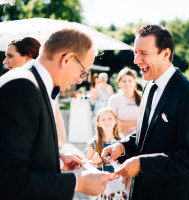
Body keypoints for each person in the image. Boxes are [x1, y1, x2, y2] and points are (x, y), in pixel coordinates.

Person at [0, 29, 115, 200]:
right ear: (67, 59)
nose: (80, 80)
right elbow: (9, 181)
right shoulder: (21, 86)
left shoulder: (34, 83)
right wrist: (78, 182)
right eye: (83, 71)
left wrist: (57, 161)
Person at [102, 24, 189, 200]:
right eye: (135, 53)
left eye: (143, 53)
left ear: (165, 54)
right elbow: (145, 133)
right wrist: (122, 146)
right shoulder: (149, 87)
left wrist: (142, 164)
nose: (136, 60)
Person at [2, 37, 66, 147]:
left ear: (28, 59)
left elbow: (60, 138)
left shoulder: (42, 89)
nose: (4, 61)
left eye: (10, 56)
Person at [87, 108, 127, 200]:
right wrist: (93, 161)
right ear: (98, 123)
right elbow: (87, 164)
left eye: (110, 118)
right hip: (99, 184)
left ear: (116, 121)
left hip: (117, 184)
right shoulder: (94, 143)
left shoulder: (122, 142)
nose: (107, 122)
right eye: (103, 119)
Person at [108, 67, 141, 138]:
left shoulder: (143, 97)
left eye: (130, 80)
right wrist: (137, 123)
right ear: (119, 83)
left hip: (141, 138)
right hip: (121, 139)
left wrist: (124, 124)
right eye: (124, 81)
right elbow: (112, 122)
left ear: (134, 82)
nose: (127, 83)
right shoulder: (114, 99)